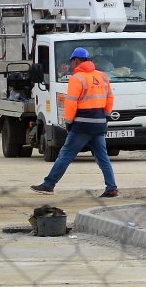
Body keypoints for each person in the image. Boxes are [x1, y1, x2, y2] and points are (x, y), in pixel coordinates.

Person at [32, 46, 119, 197]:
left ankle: (49, 184)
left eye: (72, 61)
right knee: (103, 157)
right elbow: (110, 98)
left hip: (82, 125)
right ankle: (111, 188)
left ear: (77, 61)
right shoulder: (102, 76)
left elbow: (70, 103)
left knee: (65, 155)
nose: (72, 65)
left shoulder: (77, 78)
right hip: (99, 124)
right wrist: (104, 116)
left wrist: (69, 123)